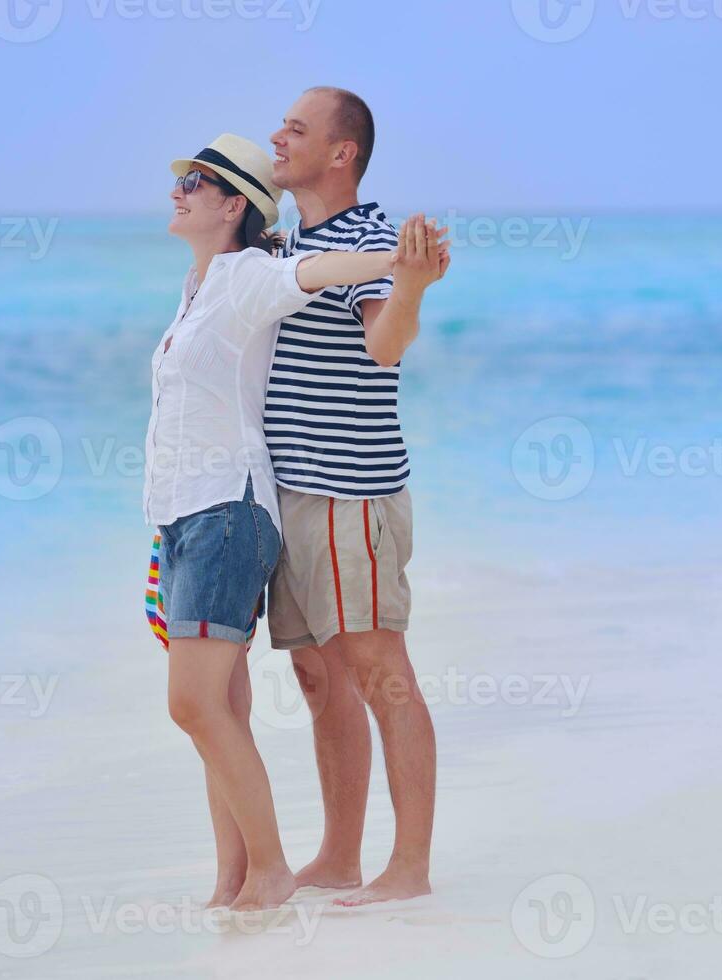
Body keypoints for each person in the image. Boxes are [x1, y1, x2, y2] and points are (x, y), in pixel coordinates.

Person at [146, 132, 447, 912]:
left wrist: (402, 273)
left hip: (293, 498)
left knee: (355, 677)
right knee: (299, 685)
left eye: (197, 180)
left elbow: (350, 308)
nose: (178, 188)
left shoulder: (267, 268)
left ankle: (367, 868)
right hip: (224, 507)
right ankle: (283, 869)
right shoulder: (213, 275)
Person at [264, 88, 449, 907]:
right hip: (286, 494)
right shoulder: (285, 246)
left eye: (296, 129)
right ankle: (340, 856)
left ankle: (407, 867)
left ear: (341, 153)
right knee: (317, 675)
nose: (279, 136)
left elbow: (383, 347)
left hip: (348, 491)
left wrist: (407, 287)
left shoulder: (373, 239)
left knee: (380, 670)